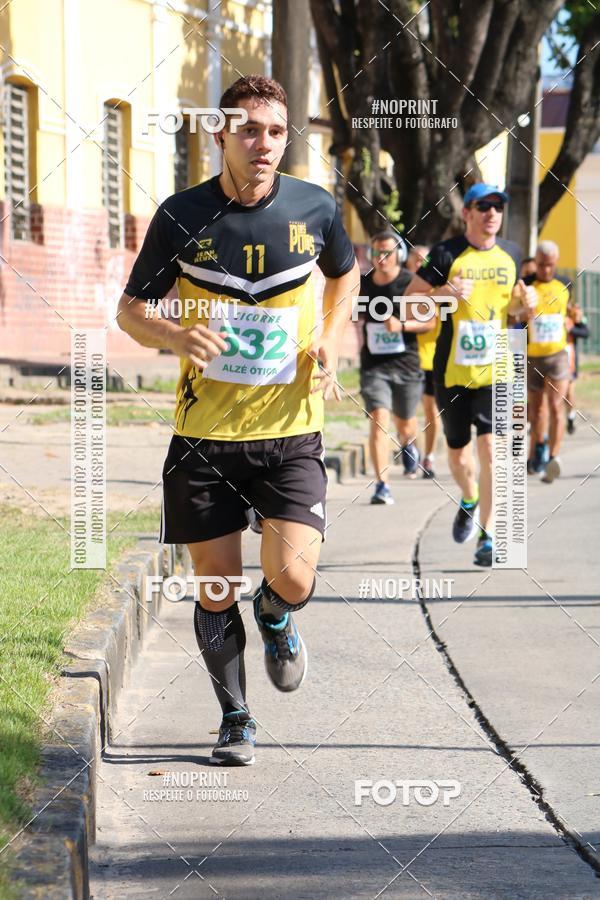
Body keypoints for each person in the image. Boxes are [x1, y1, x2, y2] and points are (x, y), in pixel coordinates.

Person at [116, 75, 359, 765]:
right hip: (205, 438)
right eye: (249, 129)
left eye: (276, 131)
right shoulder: (180, 215)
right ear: (219, 134)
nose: (263, 143)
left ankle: (277, 617)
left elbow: (345, 276)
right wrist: (174, 335)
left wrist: (331, 339)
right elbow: (130, 308)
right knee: (216, 585)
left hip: (290, 433)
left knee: (295, 577)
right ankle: (236, 718)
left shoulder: (314, 208)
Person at [405, 183, 536, 566]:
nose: (492, 213)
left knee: (491, 451)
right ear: (468, 213)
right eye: (484, 206)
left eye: (498, 207)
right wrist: (441, 292)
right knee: (460, 458)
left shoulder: (512, 253)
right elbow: (410, 305)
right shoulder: (446, 254)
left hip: (497, 367)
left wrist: (525, 306)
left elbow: (515, 311)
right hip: (452, 371)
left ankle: (489, 534)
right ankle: (468, 496)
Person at [358, 231, 435, 503]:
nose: (382, 258)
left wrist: (401, 325)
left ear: (399, 255)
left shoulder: (409, 283)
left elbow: (430, 322)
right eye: (377, 252)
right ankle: (382, 485)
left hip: (406, 366)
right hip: (373, 366)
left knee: (406, 424)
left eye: (388, 252)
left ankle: (408, 442)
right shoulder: (363, 284)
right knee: (379, 420)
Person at [521, 241, 572, 483]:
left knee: (556, 406)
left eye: (550, 265)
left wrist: (572, 319)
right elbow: (514, 314)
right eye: (542, 265)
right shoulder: (527, 284)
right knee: (537, 410)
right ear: (535, 262)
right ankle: (536, 451)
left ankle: (554, 457)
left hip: (558, 355)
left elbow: (569, 313)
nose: (546, 270)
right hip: (533, 356)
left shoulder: (564, 285)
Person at [565, 302, 590, 433]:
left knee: (569, 392)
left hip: (569, 359)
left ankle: (570, 417)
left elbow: (585, 332)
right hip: (549, 358)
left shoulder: (573, 311)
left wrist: (571, 329)